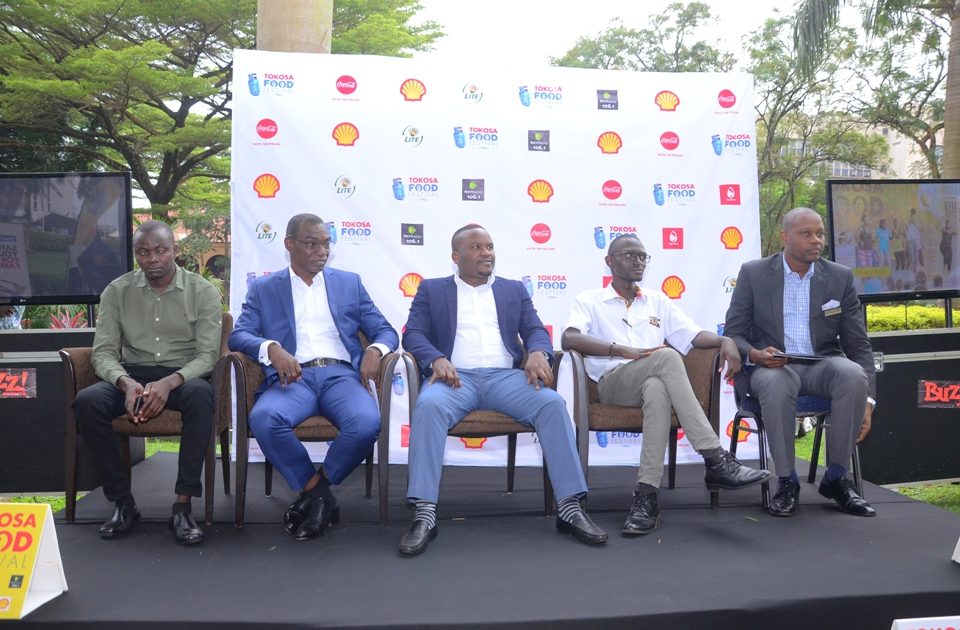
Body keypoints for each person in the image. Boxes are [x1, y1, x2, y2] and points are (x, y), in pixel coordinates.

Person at [399, 224, 607, 556]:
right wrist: (435, 358)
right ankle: (424, 512)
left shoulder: (513, 289)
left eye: (490, 247)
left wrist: (537, 352)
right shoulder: (433, 289)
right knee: (429, 406)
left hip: (505, 379)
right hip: (456, 379)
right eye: (476, 248)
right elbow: (413, 334)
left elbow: (535, 329)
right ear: (456, 257)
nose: (486, 253)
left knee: (552, 404)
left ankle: (570, 508)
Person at [561, 234, 772, 536]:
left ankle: (646, 497)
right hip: (612, 383)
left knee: (658, 389)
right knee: (668, 356)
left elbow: (693, 336)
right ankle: (715, 459)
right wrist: (619, 350)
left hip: (650, 381)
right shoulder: (590, 300)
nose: (638, 261)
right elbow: (569, 338)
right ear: (609, 261)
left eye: (642, 256)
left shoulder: (657, 300)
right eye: (629, 255)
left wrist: (726, 340)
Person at [229, 213, 398, 542]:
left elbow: (385, 330)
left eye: (325, 244)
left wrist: (375, 350)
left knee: (366, 423)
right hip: (293, 378)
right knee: (264, 418)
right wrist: (271, 348)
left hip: (340, 376)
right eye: (311, 244)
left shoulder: (349, 283)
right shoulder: (264, 288)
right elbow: (239, 335)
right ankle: (320, 496)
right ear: (289, 244)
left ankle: (315, 496)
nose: (322, 251)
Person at [72, 220, 222, 544]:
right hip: (133, 374)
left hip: (183, 376)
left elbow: (209, 355)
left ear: (175, 250)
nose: (152, 258)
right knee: (88, 402)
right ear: (136, 255)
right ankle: (122, 502)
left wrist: (169, 382)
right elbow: (103, 352)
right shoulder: (117, 291)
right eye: (143, 252)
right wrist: (125, 383)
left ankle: (182, 505)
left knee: (201, 395)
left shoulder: (203, 291)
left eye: (160, 250)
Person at [724, 207, 877, 518]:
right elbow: (734, 334)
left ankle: (836, 478)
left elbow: (858, 345)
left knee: (852, 374)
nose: (816, 240)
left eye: (820, 234)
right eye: (806, 234)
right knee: (776, 383)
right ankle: (787, 481)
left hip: (821, 365)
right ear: (785, 237)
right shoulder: (754, 274)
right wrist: (755, 354)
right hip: (772, 367)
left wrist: (869, 401)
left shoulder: (839, 277)